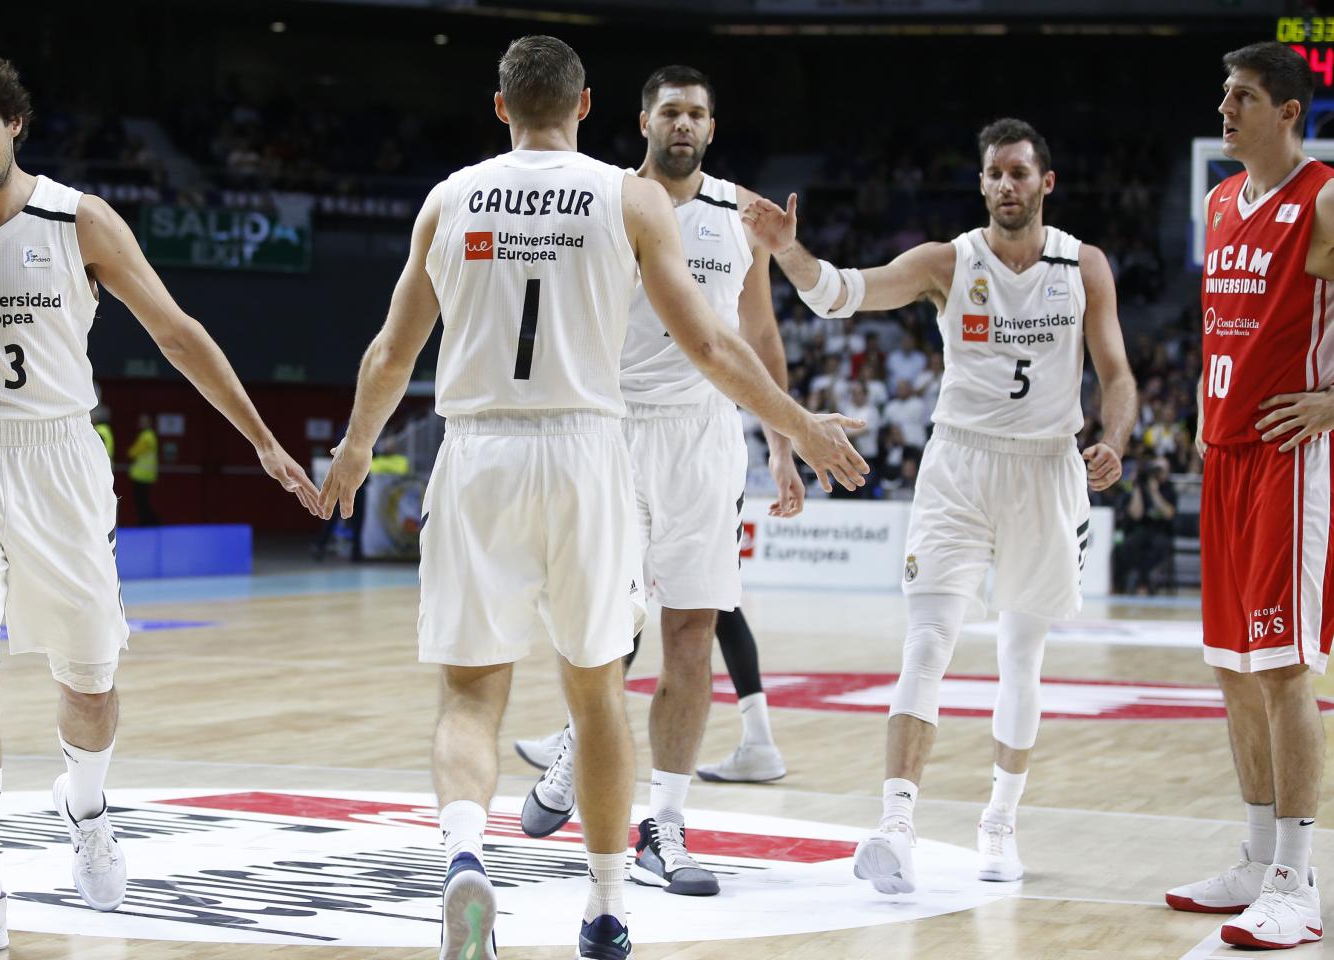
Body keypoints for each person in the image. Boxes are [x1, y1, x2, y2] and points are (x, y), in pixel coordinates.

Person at [317, 35, 866, 960]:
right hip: (587, 451)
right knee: (599, 691)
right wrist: (799, 423)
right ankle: (606, 908)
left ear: (500, 107)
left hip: (481, 449)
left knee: (469, 694)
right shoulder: (628, 197)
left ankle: (463, 860)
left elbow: (390, 353)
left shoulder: (450, 199)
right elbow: (713, 346)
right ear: (585, 107)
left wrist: (354, 449)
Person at [0, 50, 318, 960]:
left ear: (15, 124)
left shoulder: (78, 221)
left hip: (56, 463)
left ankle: (86, 808)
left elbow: (176, 332)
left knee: (89, 681)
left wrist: (263, 440)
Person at [744, 116, 1137, 890]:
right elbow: (839, 297)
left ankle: (1000, 822)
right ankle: (895, 826)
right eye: (994, 173)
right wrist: (790, 249)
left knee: (1021, 656)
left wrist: (1116, 440)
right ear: (981, 182)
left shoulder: (1084, 265)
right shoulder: (948, 262)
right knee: (927, 643)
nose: (1005, 185)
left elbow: (1117, 375)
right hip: (959, 462)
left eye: (1020, 172)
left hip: (1046, 470)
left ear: (1046, 183)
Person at [513, 66, 809, 899]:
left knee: (691, 632)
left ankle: (665, 825)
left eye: (697, 114)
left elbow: (757, 333)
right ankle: (579, 743)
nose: (683, 124)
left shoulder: (744, 214)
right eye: (670, 111)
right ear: (643, 119)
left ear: (712, 128)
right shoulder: (603, 201)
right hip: (613, 432)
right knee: (609, 625)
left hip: (709, 440)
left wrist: (783, 445)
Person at [1167, 41, 1334, 950]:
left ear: (1288, 114)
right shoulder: (1220, 200)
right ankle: (1257, 853)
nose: (1224, 109)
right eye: (1223, 94)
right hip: (1225, 454)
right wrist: (1201, 412)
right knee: (1231, 667)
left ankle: (1295, 881)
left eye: (1242, 97)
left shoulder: (1327, 198)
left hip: (1291, 460)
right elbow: (1217, 326)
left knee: (1280, 669)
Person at [126, 412, 160, 525]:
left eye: (143, 421)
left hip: (142, 476)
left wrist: (131, 451)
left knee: (141, 503)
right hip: (145, 476)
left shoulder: (147, 436)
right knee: (143, 502)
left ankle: (149, 523)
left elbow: (133, 452)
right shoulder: (149, 436)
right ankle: (148, 522)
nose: (141, 423)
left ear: (148, 423)